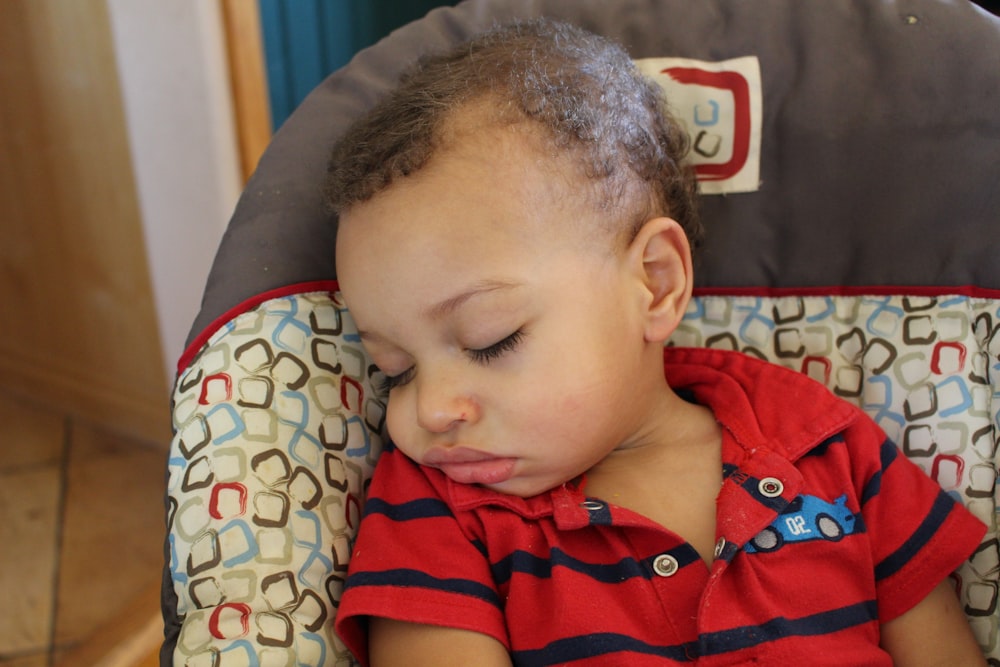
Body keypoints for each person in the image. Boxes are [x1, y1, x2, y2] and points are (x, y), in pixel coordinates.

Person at [326, 18, 986, 667]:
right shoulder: (436, 505)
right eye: (397, 368)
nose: (433, 408)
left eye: (490, 340)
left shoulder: (829, 444)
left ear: (655, 282)